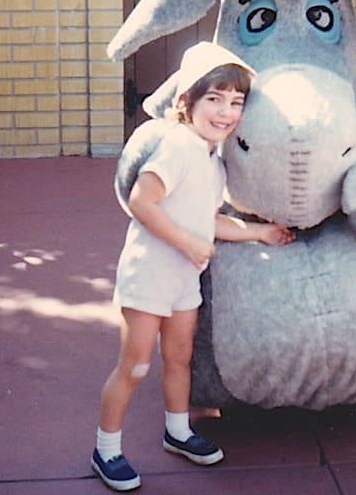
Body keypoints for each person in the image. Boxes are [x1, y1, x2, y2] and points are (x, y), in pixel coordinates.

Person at [92, 41, 295, 491]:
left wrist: (258, 232)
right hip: (149, 276)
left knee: (180, 358)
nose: (225, 112)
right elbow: (142, 200)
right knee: (136, 365)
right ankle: (106, 449)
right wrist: (187, 241)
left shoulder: (212, 160)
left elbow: (208, 218)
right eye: (214, 98)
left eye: (236, 102)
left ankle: (178, 430)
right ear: (186, 101)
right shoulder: (178, 144)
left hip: (183, 279)